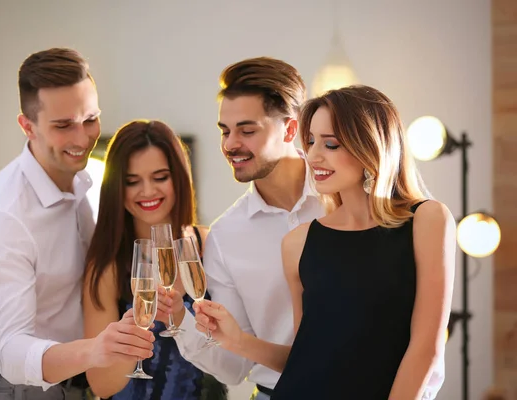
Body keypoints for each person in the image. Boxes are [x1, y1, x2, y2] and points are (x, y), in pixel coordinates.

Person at [193, 85, 455, 399]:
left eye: (330, 144)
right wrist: (236, 340)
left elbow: (425, 347)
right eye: (311, 141)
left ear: (370, 146)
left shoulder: (427, 220)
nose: (314, 155)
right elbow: (307, 358)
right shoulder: (298, 243)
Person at [0, 48, 155, 400]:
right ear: (27, 126)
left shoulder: (84, 185)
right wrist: (96, 350)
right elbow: (10, 352)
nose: (83, 138)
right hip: (17, 390)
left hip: (76, 386)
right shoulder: (5, 216)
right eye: (63, 125)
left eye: (90, 119)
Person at [162, 56, 325, 399]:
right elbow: (234, 367)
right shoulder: (226, 237)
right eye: (225, 130)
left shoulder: (343, 197)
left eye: (247, 130)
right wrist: (179, 319)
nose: (230, 144)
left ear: (290, 129)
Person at [83, 120, 228, 400]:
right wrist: (137, 327)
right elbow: (101, 384)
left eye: (160, 177)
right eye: (132, 181)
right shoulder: (107, 266)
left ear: (179, 178)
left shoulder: (207, 244)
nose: (147, 191)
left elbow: (233, 353)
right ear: (116, 187)